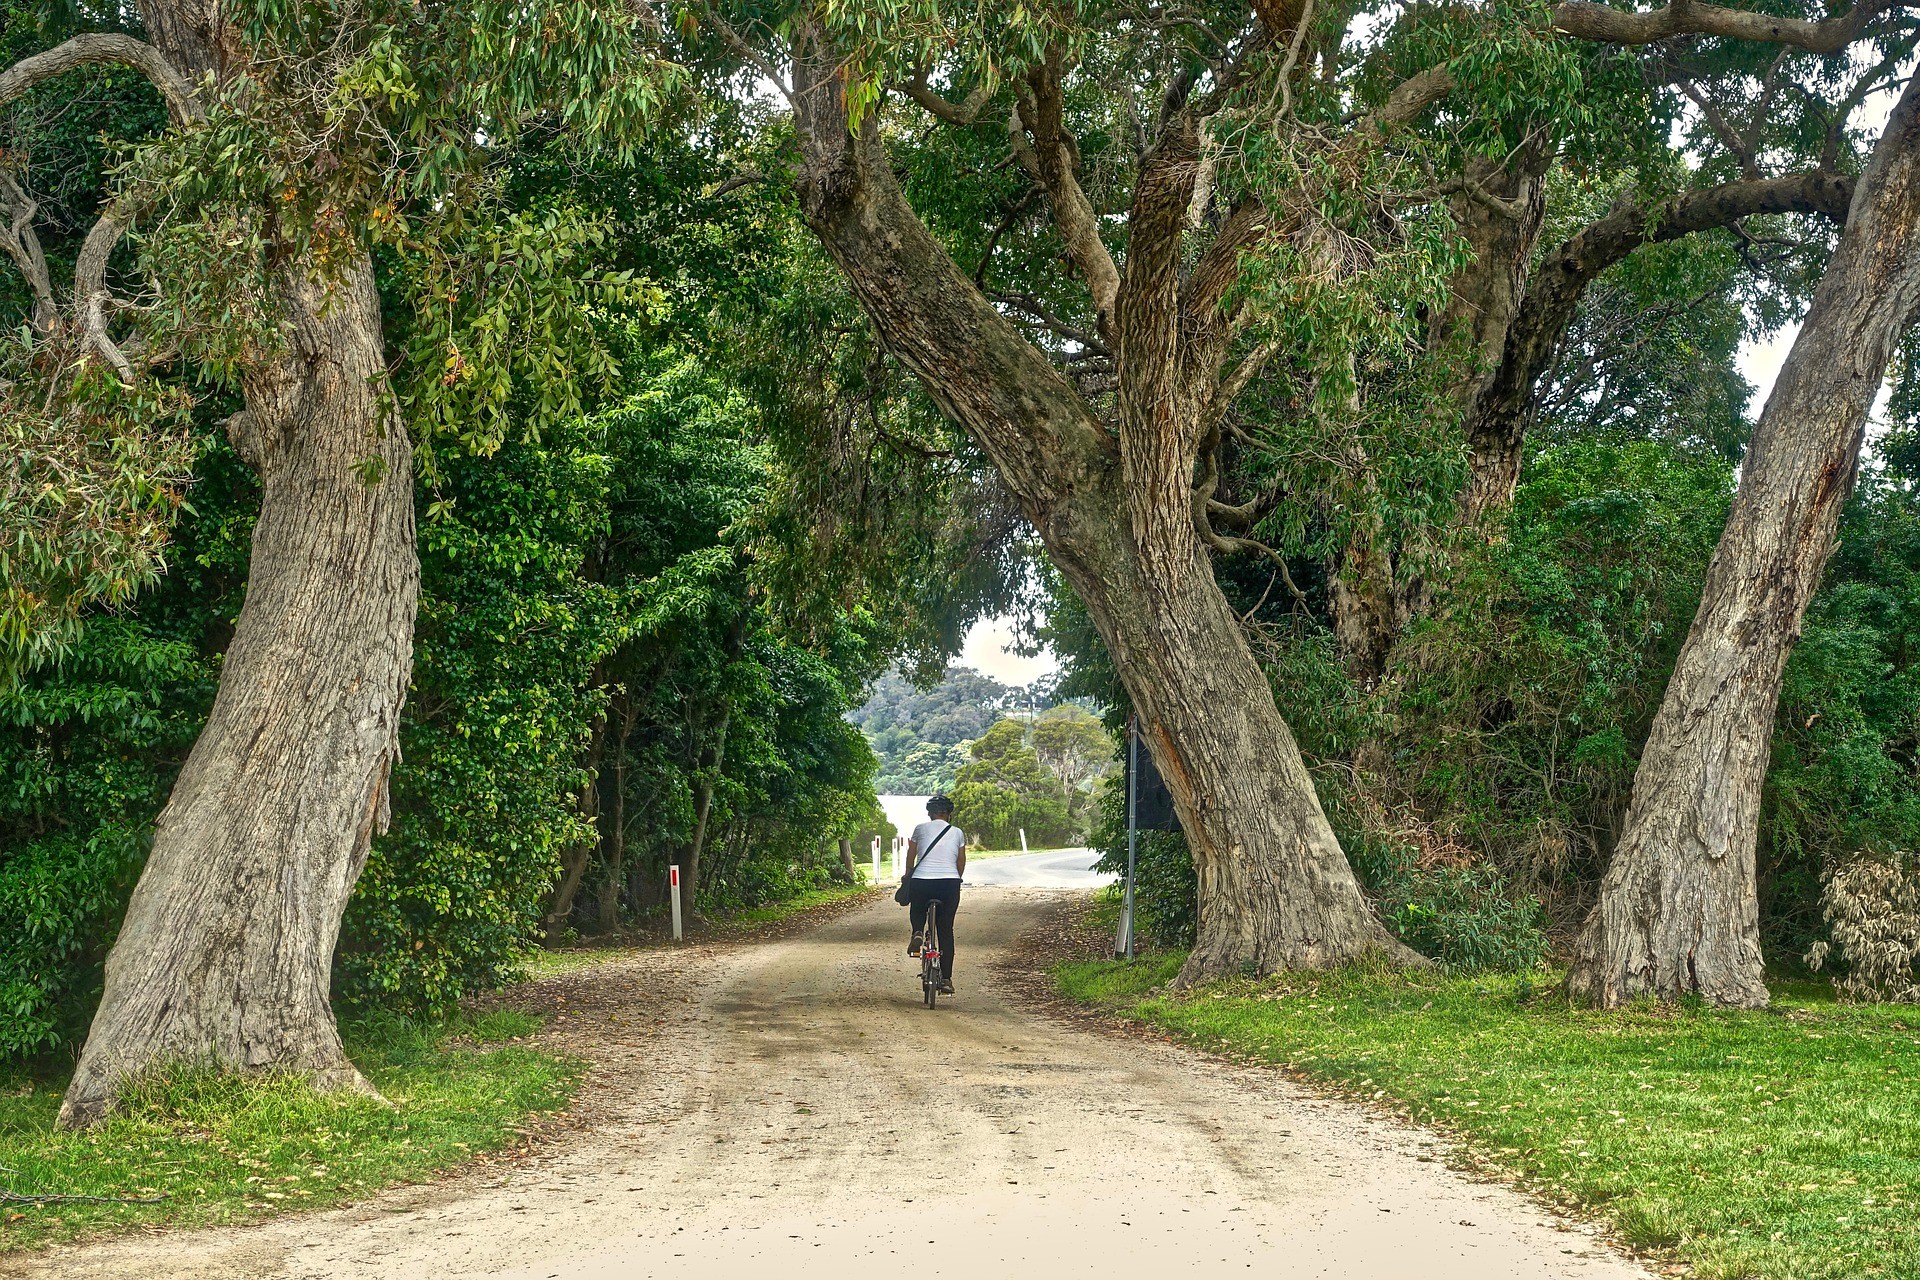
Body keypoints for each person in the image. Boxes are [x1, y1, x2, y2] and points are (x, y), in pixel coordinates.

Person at [903, 794, 965, 993]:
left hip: (922, 881)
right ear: (949, 814)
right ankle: (946, 979)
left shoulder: (920, 829)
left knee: (918, 906)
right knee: (946, 930)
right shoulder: (957, 832)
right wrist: (957, 877)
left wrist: (907, 876)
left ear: (929, 813)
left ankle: (918, 932)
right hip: (949, 883)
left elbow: (911, 855)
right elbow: (961, 860)